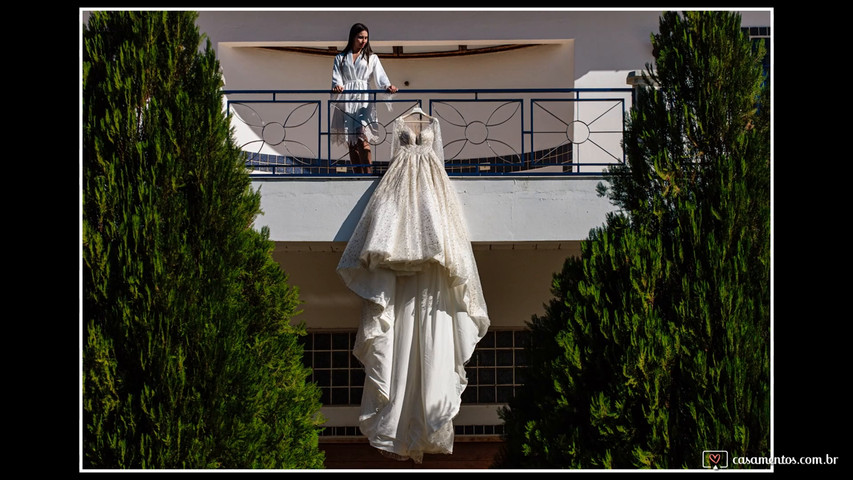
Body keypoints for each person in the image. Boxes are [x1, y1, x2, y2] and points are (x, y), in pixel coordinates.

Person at [337, 107, 490, 463]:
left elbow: (438, 156)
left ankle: (426, 421)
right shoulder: (401, 125)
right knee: (392, 280)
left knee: (443, 265)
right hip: (399, 186)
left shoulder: (433, 124)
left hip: (435, 190)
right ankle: (396, 421)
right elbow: (394, 153)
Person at [331, 23, 398, 174]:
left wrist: (387, 87)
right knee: (351, 139)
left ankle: (367, 174)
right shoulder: (340, 58)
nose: (363, 41)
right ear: (353, 37)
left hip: (364, 98)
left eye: (366, 38)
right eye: (360, 37)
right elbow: (337, 78)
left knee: (362, 133)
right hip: (346, 98)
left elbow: (380, 77)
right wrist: (338, 86)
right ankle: (357, 175)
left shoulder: (372, 57)